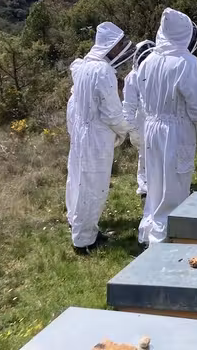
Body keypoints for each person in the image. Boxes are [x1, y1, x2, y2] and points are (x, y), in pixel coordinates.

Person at [137, 8, 197, 245]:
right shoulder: (187, 63)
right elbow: (196, 107)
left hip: (151, 128)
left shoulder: (147, 61)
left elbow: (142, 100)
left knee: (155, 184)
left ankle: (148, 233)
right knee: (174, 188)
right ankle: (164, 242)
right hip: (176, 131)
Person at [66, 22, 133, 255]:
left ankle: (77, 224)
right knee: (93, 186)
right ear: (111, 46)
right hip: (96, 136)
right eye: (120, 45)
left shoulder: (84, 66)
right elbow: (111, 112)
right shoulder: (103, 71)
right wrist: (125, 130)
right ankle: (84, 240)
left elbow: (73, 104)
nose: (121, 49)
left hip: (82, 132)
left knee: (78, 180)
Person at [122, 40, 155, 199]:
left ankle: (160, 185)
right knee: (145, 155)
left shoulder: (156, 72)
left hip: (157, 119)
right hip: (141, 122)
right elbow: (128, 106)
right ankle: (145, 189)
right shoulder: (132, 77)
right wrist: (133, 130)